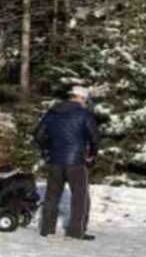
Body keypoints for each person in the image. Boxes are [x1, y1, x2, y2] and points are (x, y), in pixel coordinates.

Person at [33, 85, 99, 241]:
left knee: (52, 195)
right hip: (76, 161)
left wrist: (47, 151)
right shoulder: (84, 114)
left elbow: (38, 135)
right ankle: (76, 232)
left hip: (55, 160)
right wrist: (93, 155)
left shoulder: (52, 112)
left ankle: (47, 229)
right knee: (80, 197)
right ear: (82, 98)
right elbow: (94, 138)